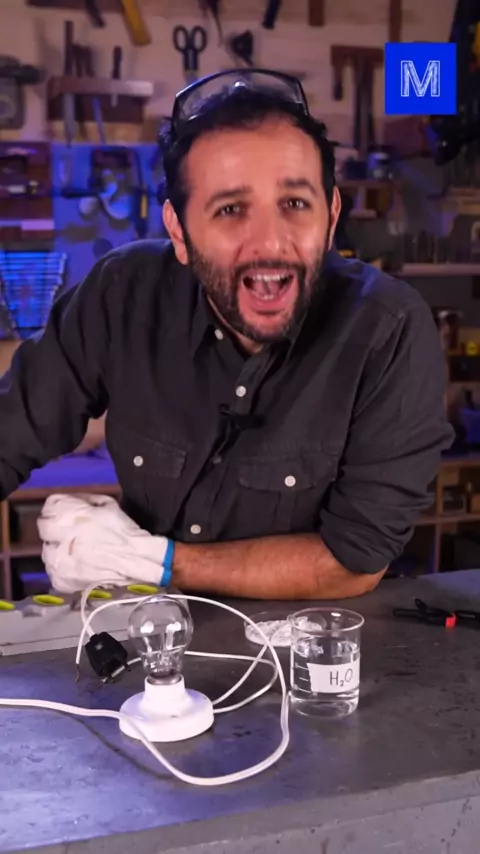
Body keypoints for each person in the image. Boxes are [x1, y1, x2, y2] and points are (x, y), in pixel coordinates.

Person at [1, 70, 453, 600]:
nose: (270, 243)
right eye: (231, 210)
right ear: (179, 231)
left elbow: (354, 561)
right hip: (150, 637)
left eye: (294, 204)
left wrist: (153, 561)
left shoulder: (388, 329)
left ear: (331, 217)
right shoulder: (122, 294)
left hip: (313, 643)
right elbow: (11, 433)